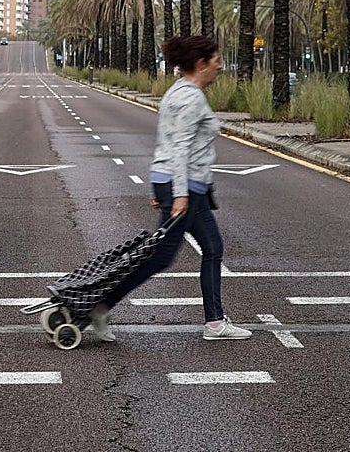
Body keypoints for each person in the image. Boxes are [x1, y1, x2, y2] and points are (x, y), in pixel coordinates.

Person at [88, 34, 251, 343]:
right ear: (201, 64)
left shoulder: (175, 92)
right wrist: (177, 193)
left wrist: (160, 184)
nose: (220, 66)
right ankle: (101, 305)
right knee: (161, 257)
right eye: (216, 60)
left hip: (182, 183)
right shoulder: (191, 99)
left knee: (212, 247)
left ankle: (215, 322)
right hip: (186, 186)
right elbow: (179, 148)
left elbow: (165, 142)